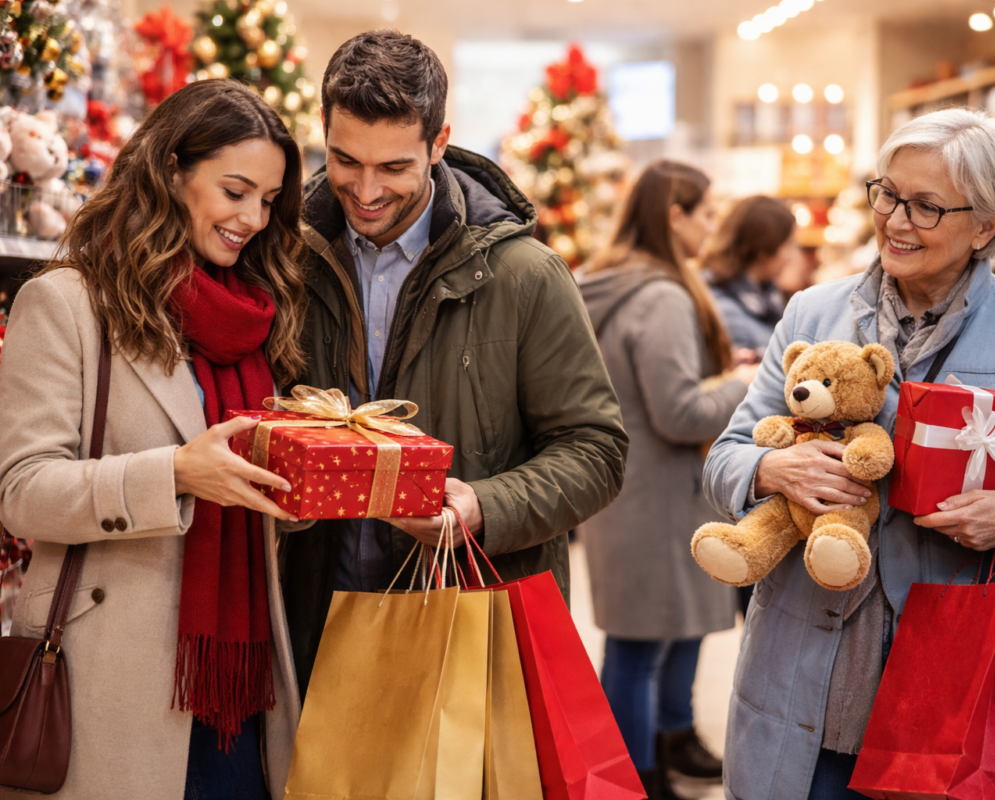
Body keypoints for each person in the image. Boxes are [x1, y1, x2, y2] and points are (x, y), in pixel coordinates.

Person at [702, 107, 995, 800]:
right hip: (798, 677)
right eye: (887, 194)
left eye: (927, 207)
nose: (896, 221)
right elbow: (726, 455)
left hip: (947, 683)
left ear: (987, 224)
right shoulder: (812, 313)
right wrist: (770, 467)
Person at [279, 30, 628, 698]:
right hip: (311, 618)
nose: (366, 190)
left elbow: (597, 449)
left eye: (395, 167)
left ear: (439, 145)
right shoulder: (286, 259)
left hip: (468, 623)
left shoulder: (526, 276)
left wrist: (482, 506)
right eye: (346, 160)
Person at [0, 80, 309, 800]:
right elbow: (21, 490)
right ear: (172, 171)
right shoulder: (68, 304)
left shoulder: (257, 315)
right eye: (235, 191)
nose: (254, 218)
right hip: (114, 678)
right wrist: (174, 475)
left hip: (238, 690)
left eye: (268, 199)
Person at [577, 160, 752, 799]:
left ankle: (662, 747)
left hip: (626, 490)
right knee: (637, 645)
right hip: (655, 496)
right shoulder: (661, 296)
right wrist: (742, 382)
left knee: (657, 630)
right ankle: (633, 778)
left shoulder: (608, 283)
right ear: (675, 216)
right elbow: (680, 412)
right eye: (706, 213)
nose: (712, 227)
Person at [701, 195, 798, 361]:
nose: (791, 256)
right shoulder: (724, 307)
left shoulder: (767, 296)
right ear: (764, 250)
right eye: (788, 245)